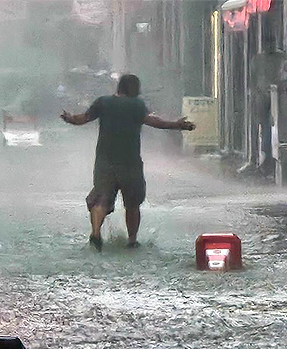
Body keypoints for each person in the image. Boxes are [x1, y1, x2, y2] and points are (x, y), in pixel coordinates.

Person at [61, 74, 195, 251]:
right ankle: (132, 241)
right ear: (134, 89)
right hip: (130, 162)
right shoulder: (137, 105)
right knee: (132, 204)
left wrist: (70, 118)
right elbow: (154, 121)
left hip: (104, 161)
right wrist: (177, 125)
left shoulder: (103, 102)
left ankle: (95, 233)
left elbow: (83, 118)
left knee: (101, 199)